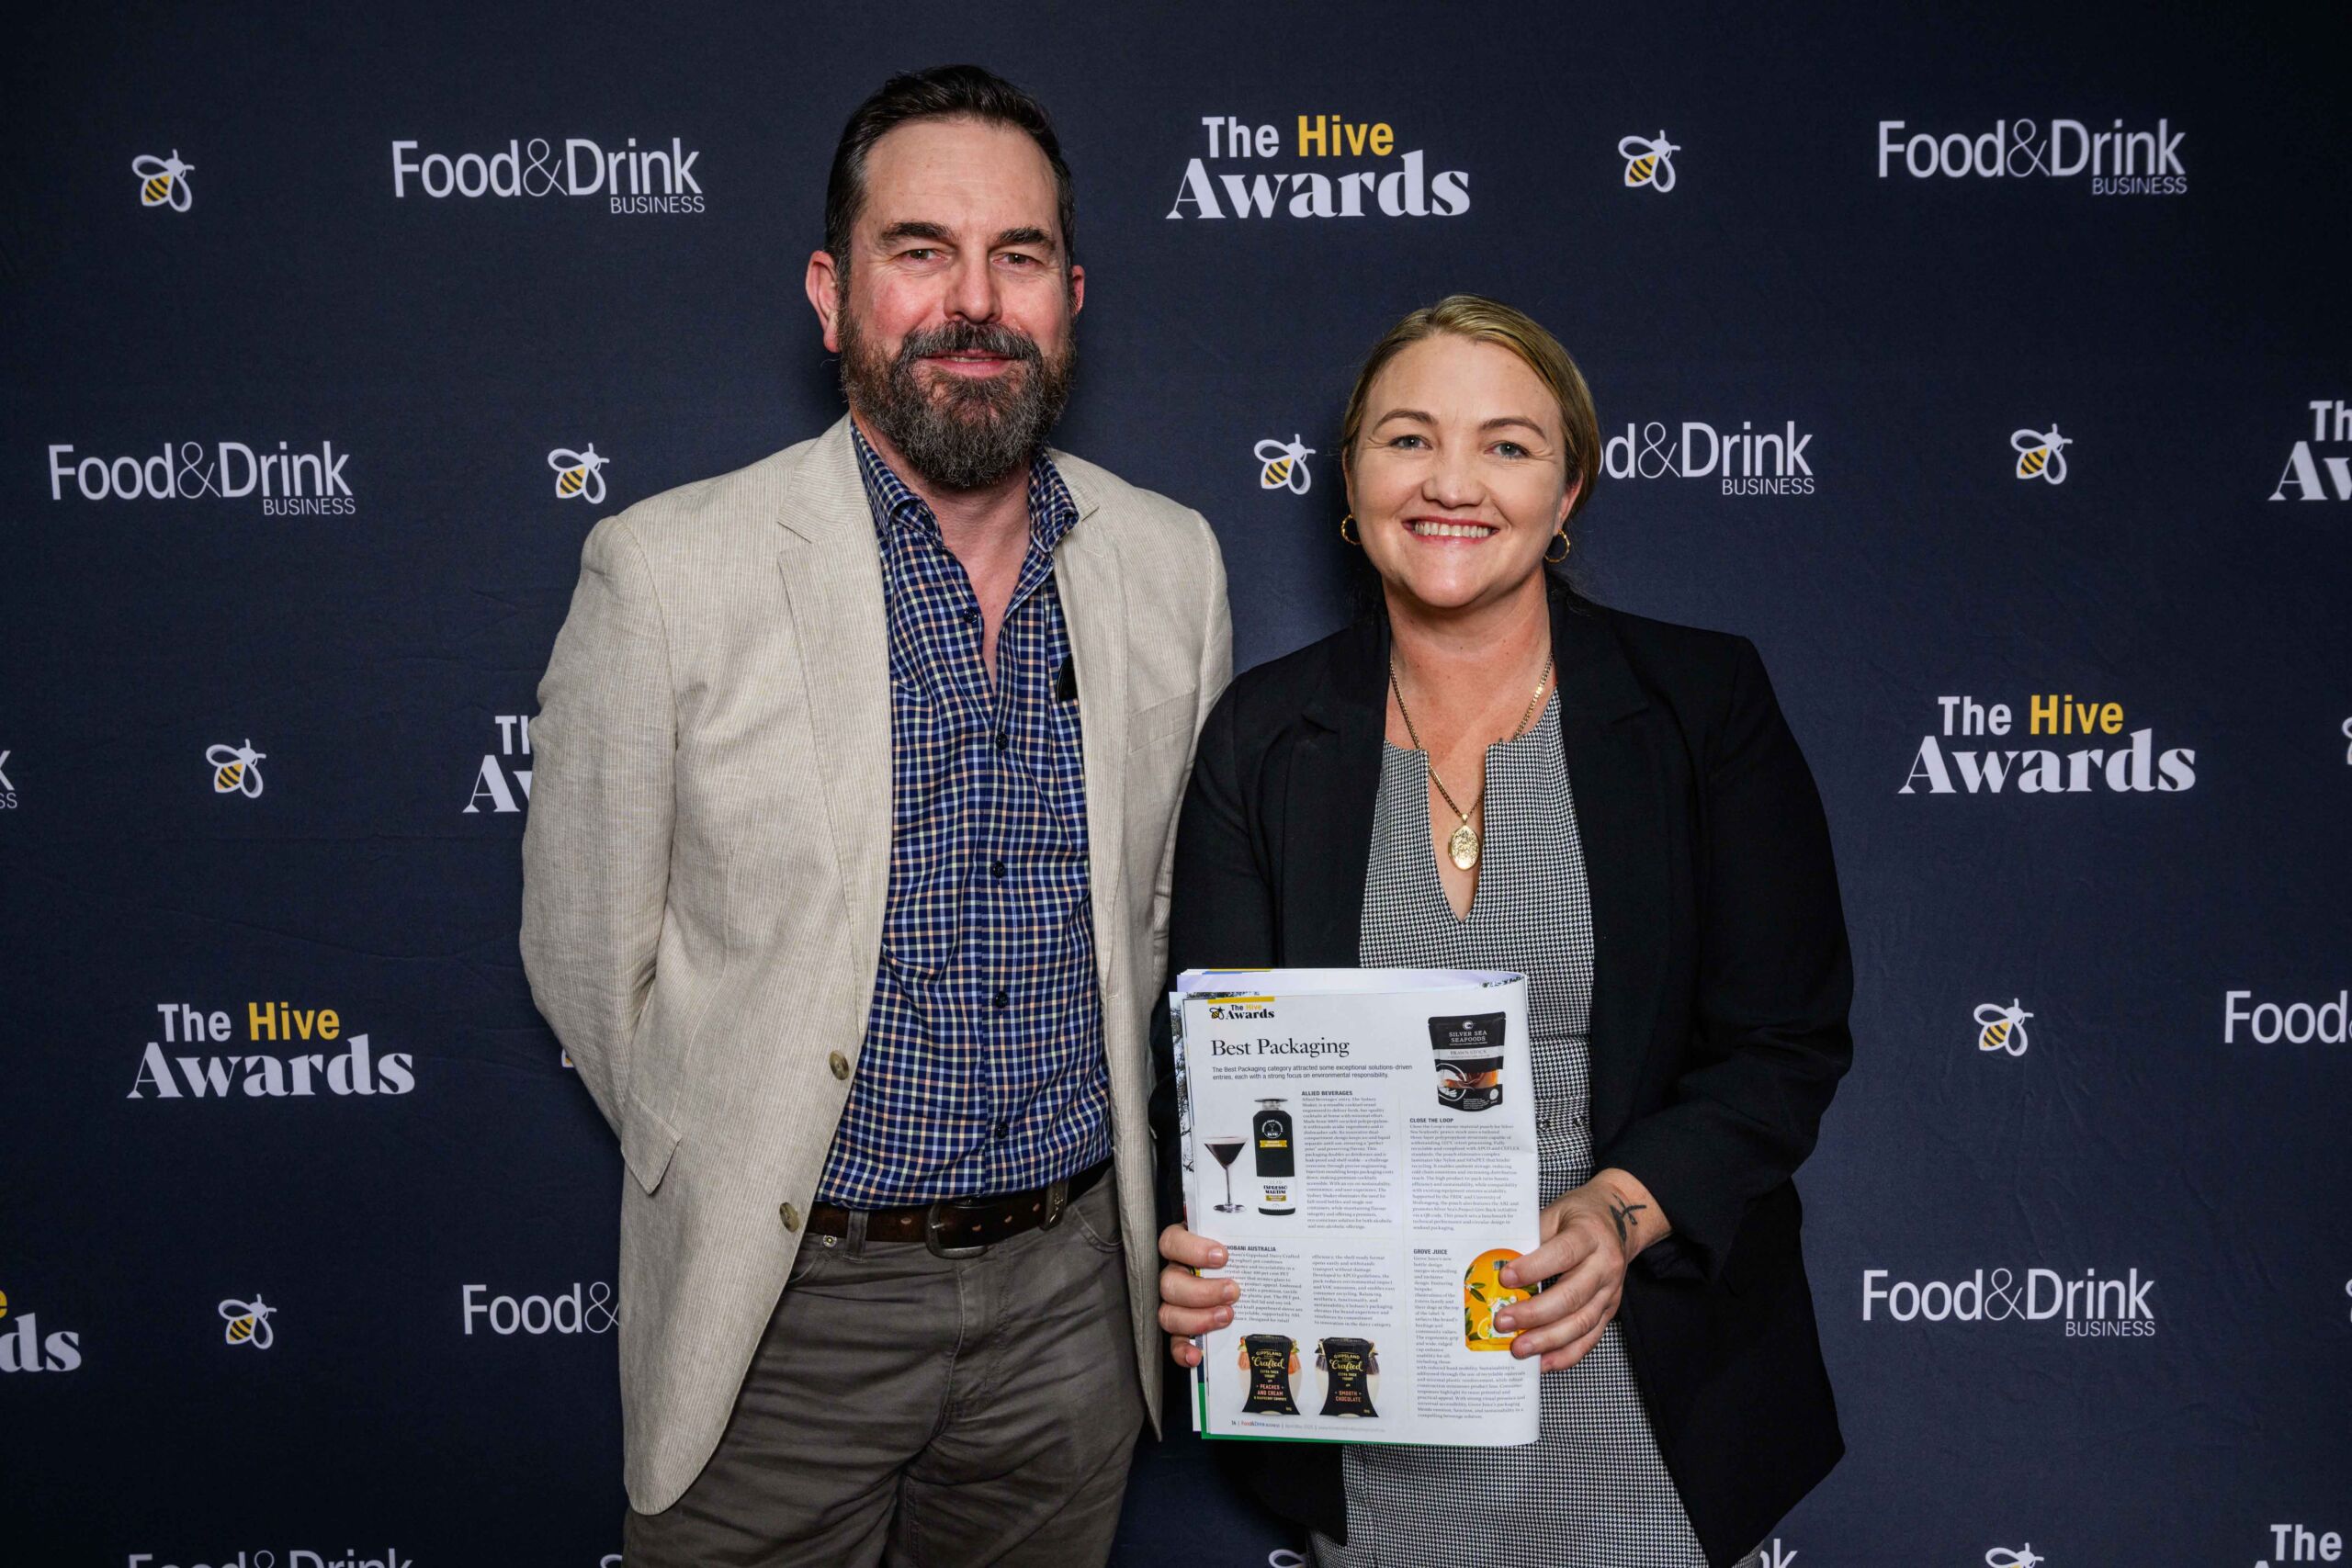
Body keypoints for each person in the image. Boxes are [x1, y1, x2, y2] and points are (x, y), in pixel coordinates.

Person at [522, 64, 1231, 1566]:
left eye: (1018, 257)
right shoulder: (667, 571)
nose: (973, 302)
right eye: (921, 251)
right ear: (832, 293)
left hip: (1071, 1310)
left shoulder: (1172, 563)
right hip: (786, 1316)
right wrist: (739, 1143)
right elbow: (587, 957)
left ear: (1071, 298)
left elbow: (1165, 913)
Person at [1155, 296, 1849, 1568]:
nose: (1452, 483)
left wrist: (1621, 1214)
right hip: (1367, 1380)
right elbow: (1210, 1067)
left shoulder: (1703, 704)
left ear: (1568, 487)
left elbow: (1783, 1043)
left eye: (1508, 446)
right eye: (1409, 439)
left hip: (1641, 1379)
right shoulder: (1263, 735)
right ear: (1351, 478)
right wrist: (1212, 1243)